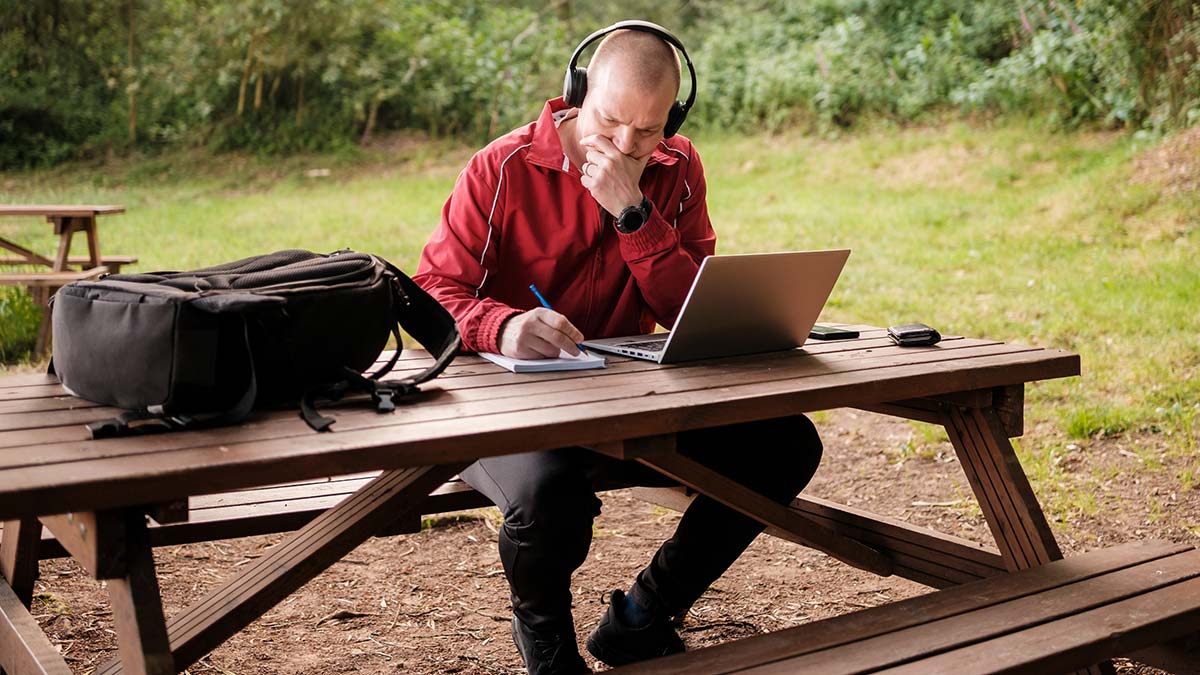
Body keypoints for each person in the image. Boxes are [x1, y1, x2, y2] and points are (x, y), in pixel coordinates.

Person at [413, 21, 823, 675]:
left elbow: (683, 307)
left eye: (650, 130)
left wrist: (634, 215)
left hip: (626, 398)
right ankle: (546, 645)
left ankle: (643, 616)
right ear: (578, 94)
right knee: (551, 497)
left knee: (786, 443)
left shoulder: (678, 167)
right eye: (610, 123)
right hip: (500, 402)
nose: (628, 145)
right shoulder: (502, 168)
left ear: (673, 119)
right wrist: (499, 325)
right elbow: (431, 292)